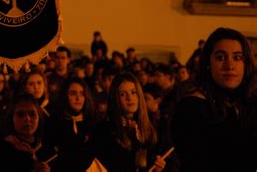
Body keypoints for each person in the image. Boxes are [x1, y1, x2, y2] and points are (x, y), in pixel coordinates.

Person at [172, 27, 257, 171]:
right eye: (220, 57)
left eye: (237, 57)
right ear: (207, 63)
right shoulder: (192, 108)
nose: (229, 66)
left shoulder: (249, 103)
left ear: (246, 64)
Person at [88, 72, 166, 171]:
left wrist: (156, 165)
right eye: (123, 94)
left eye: (133, 92)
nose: (130, 98)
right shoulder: (104, 130)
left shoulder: (147, 126)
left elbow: (145, 162)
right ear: (115, 99)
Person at [0, 93, 54, 172]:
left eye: (32, 114)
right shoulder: (0, 152)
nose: (27, 119)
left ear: (39, 117)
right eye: (20, 115)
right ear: (11, 118)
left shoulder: (48, 148)